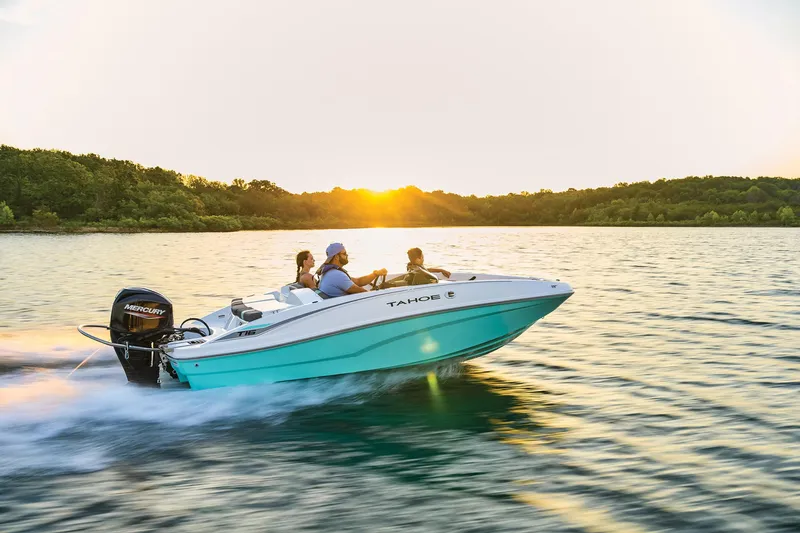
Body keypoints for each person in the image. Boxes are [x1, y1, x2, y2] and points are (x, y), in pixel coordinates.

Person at [317, 243, 388, 297]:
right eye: (344, 253)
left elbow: (358, 281)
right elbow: (362, 292)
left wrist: (375, 274)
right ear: (336, 257)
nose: (347, 255)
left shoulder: (332, 273)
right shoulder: (336, 275)